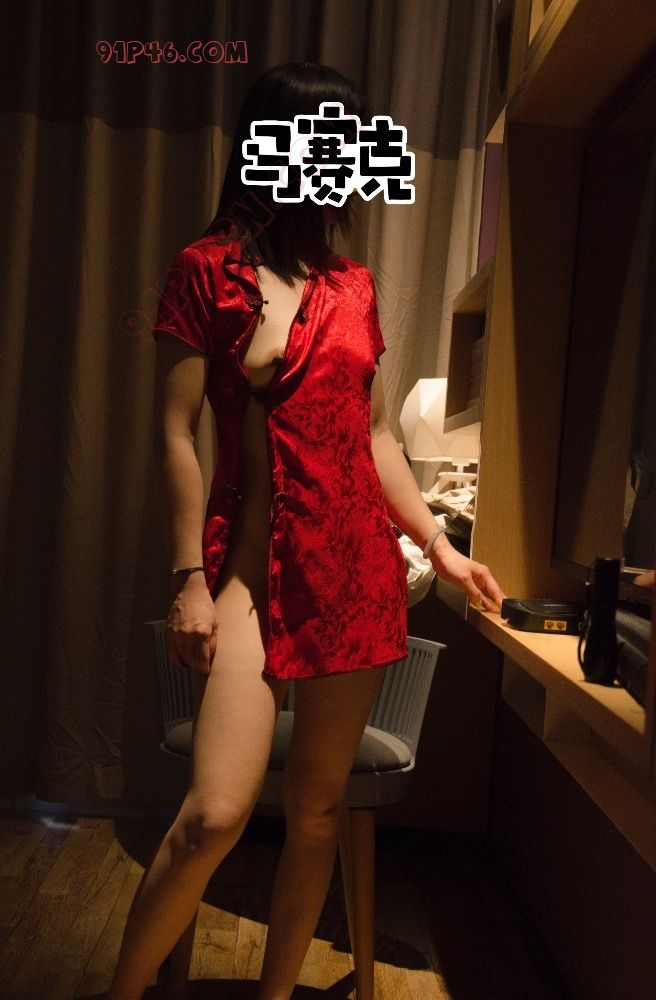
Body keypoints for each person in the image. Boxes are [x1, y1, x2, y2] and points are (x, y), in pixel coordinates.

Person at [108, 62, 505, 1000]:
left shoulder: (352, 285)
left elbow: (376, 437)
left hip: (356, 576)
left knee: (318, 814)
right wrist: (188, 579)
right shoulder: (206, 271)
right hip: (250, 572)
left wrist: (440, 547)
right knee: (213, 815)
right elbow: (174, 433)